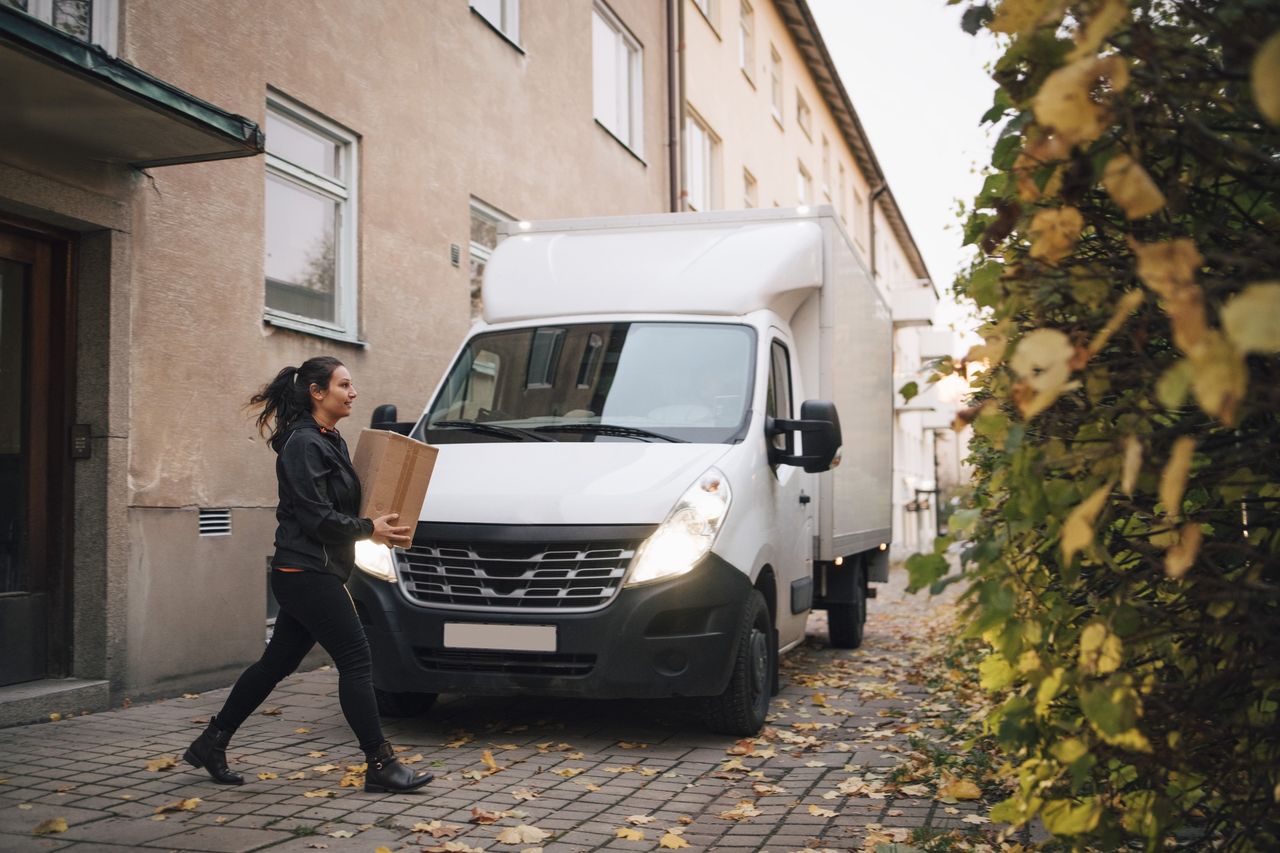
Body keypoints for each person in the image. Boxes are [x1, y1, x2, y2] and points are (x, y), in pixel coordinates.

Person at [183, 356, 433, 794]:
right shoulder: (303, 444)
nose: (353, 393)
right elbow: (317, 516)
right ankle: (380, 763)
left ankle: (211, 741)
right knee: (356, 660)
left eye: (351, 386)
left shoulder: (328, 438)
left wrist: (379, 523)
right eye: (344, 385)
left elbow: (340, 507)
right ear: (317, 392)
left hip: (315, 569)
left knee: (275, 664)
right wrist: (369, 530)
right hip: (306, 571)